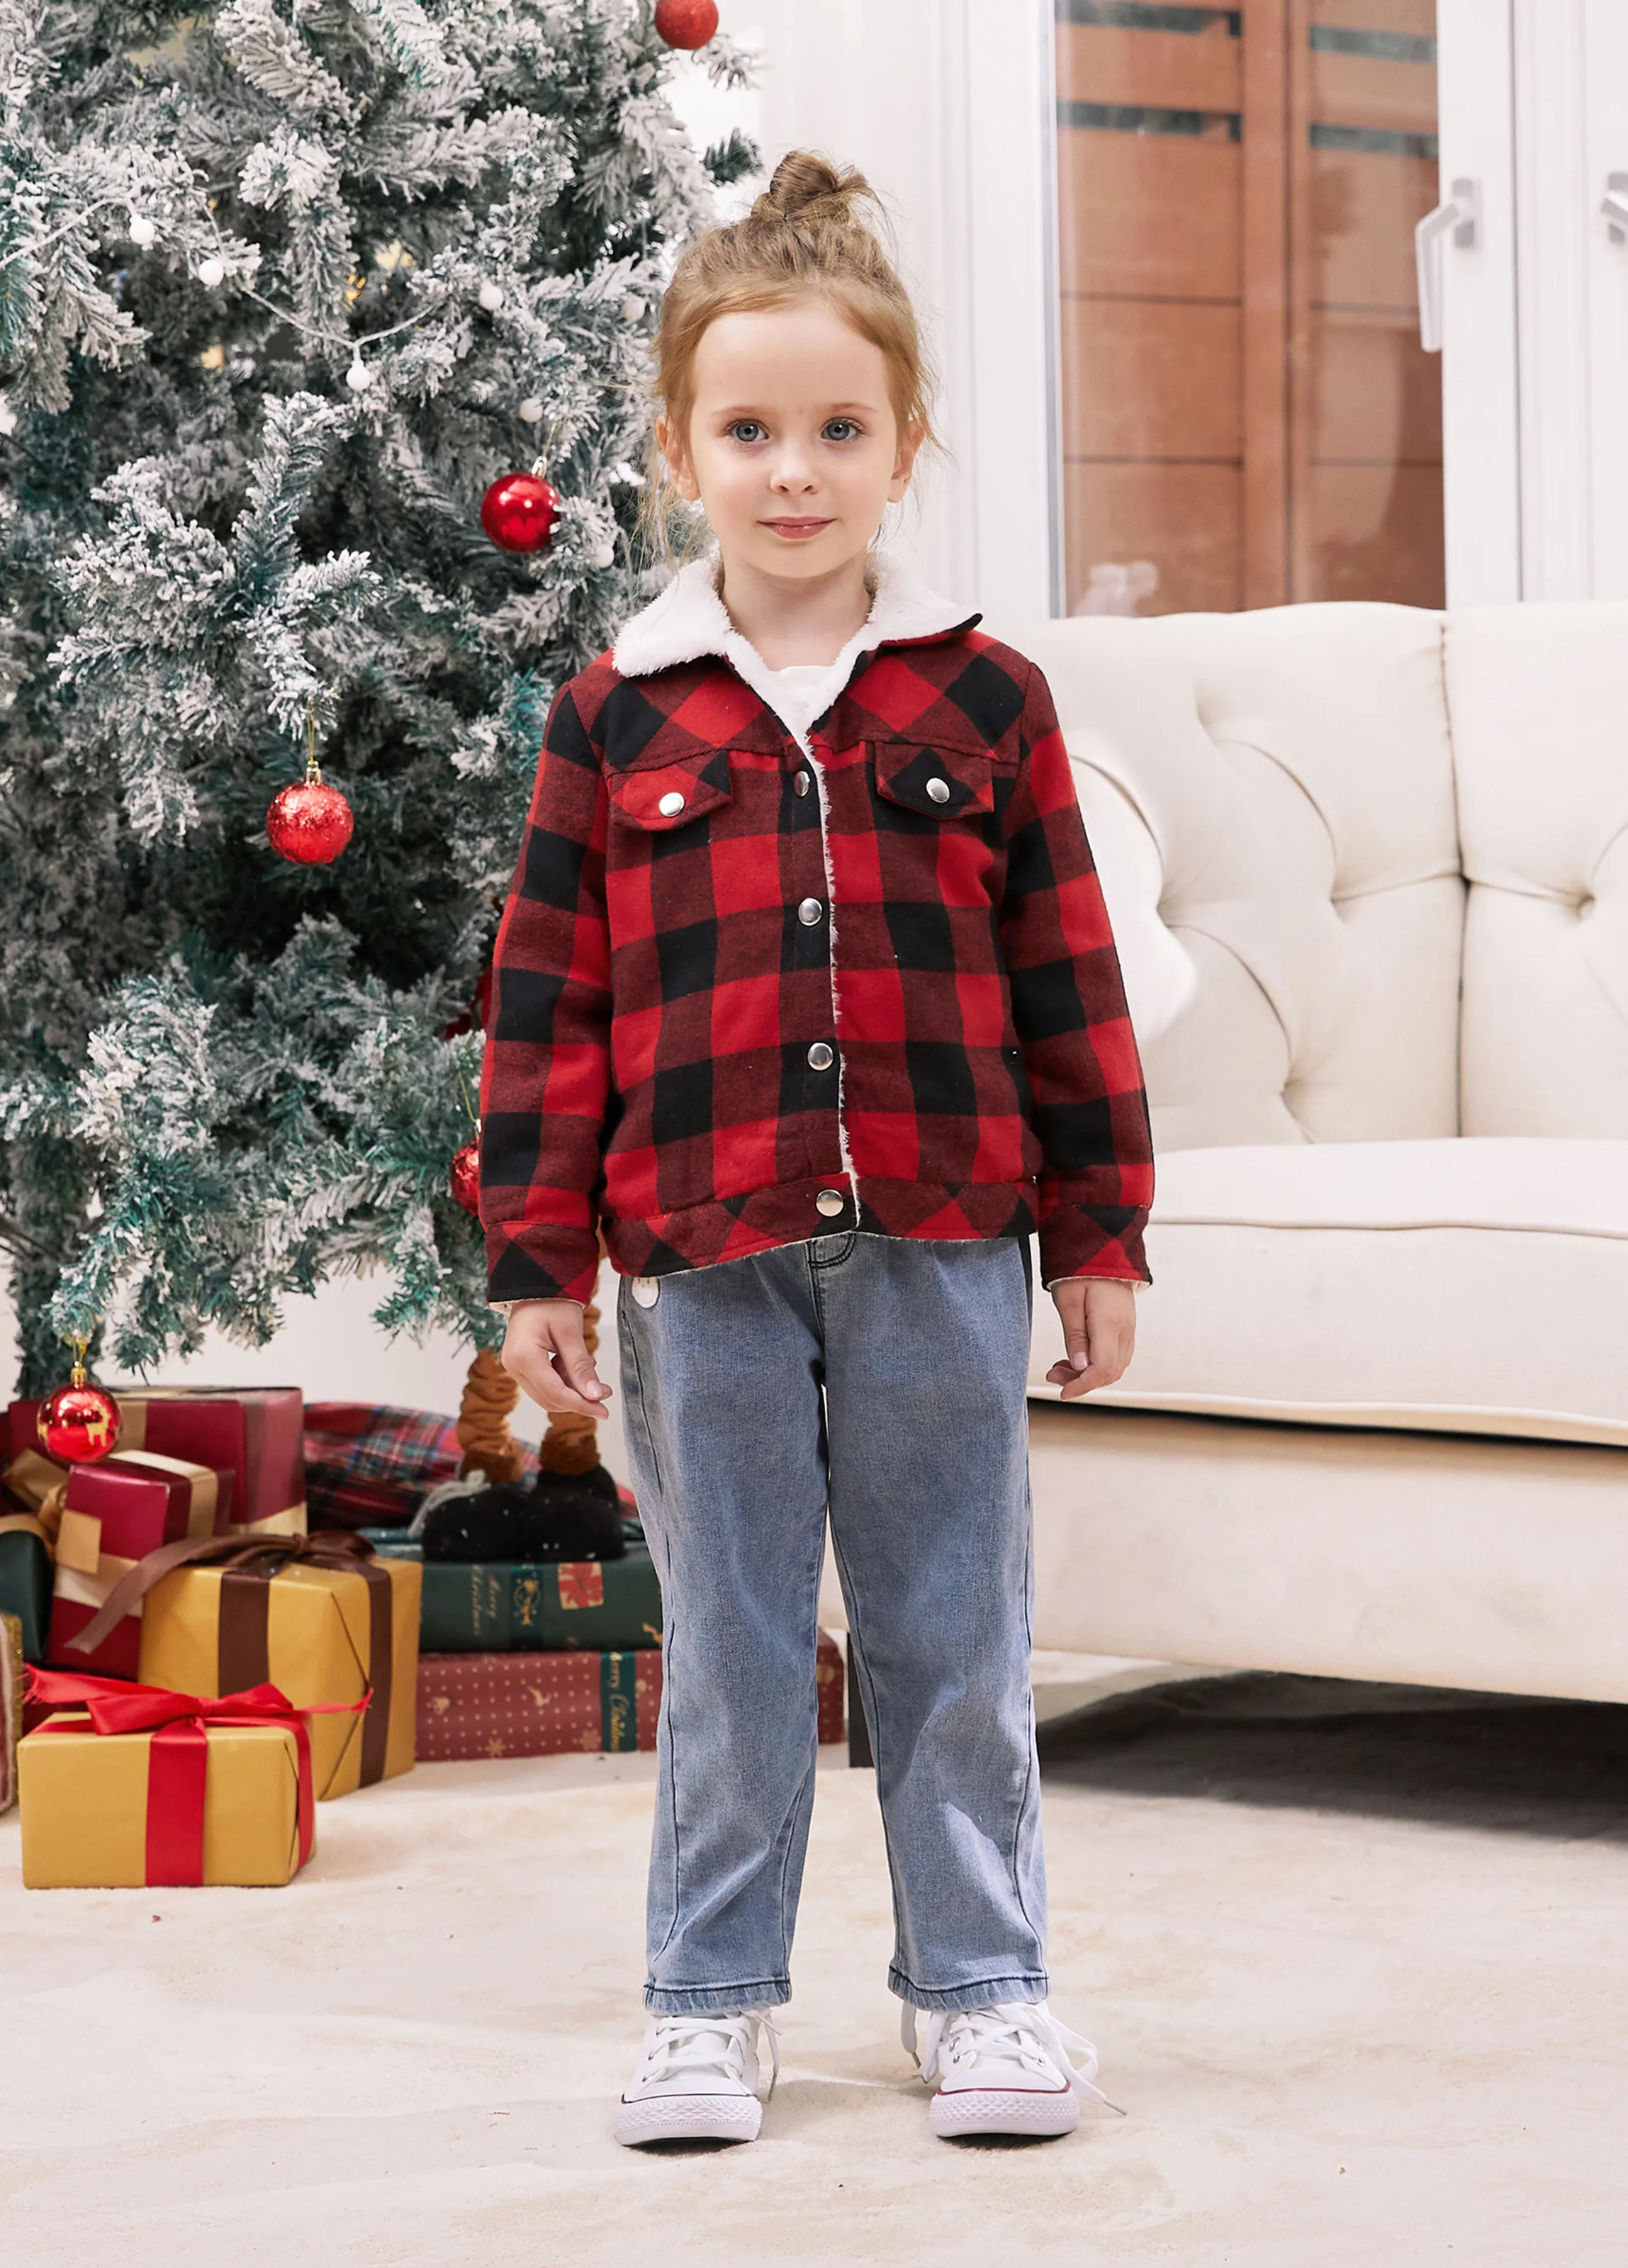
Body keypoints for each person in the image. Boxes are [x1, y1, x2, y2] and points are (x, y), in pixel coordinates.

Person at [481, 152, 1154, 2148]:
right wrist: (534, 1260)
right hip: (700, 1260)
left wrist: (1102, 1231)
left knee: (956, 1628)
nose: (797, 469)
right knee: (739, 1645)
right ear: (680, 450)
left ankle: (985, 1988)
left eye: (838, 429)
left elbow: (1070, 981)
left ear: (905, 446)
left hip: (951, 1240)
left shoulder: (988, 699)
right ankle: (706, 2002)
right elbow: (547, 1011)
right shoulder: (614, 718)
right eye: (751, 430)